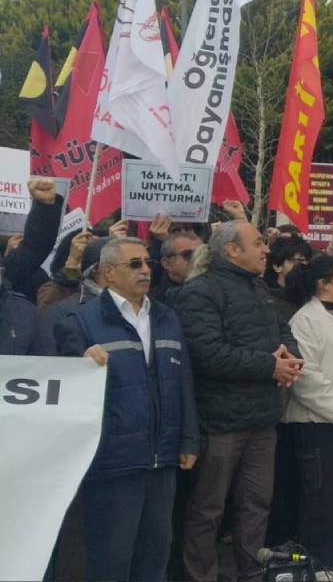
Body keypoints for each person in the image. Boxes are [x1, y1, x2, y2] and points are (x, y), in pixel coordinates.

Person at [56, 237, 198, 581]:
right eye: (134, 264)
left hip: (162, 458)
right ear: (108, 272)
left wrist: (189, 438)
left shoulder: (166, 316)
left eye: (146, 263)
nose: (145, 270)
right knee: (111, 559)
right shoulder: (81, 320)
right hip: (113, 461)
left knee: (154, 557)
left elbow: (183, 380)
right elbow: (66, 387)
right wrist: (80, 359)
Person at [177, 221, 305, 582]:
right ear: (232, 250)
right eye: (259, 243)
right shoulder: (200, 292)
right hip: (219, 422)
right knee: (208, 511)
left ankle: (251, 572)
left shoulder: (258, 288)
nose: (267, 249)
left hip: (262, 418)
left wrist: (290, 359)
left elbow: (283, 333)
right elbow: (208, 354)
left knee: (256, 505)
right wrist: (270, 366)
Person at [280, 256, 333, 580]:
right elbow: (306, 374)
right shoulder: (305, 320)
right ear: (322, 283)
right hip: (316, 422)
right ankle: (318, 560)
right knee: (320, 493)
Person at [154, 231, 203, 305]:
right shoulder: (153, 301)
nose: (197, 259)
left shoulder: (218, 290)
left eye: (202, 254)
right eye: (188, 254)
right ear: (167, 264)